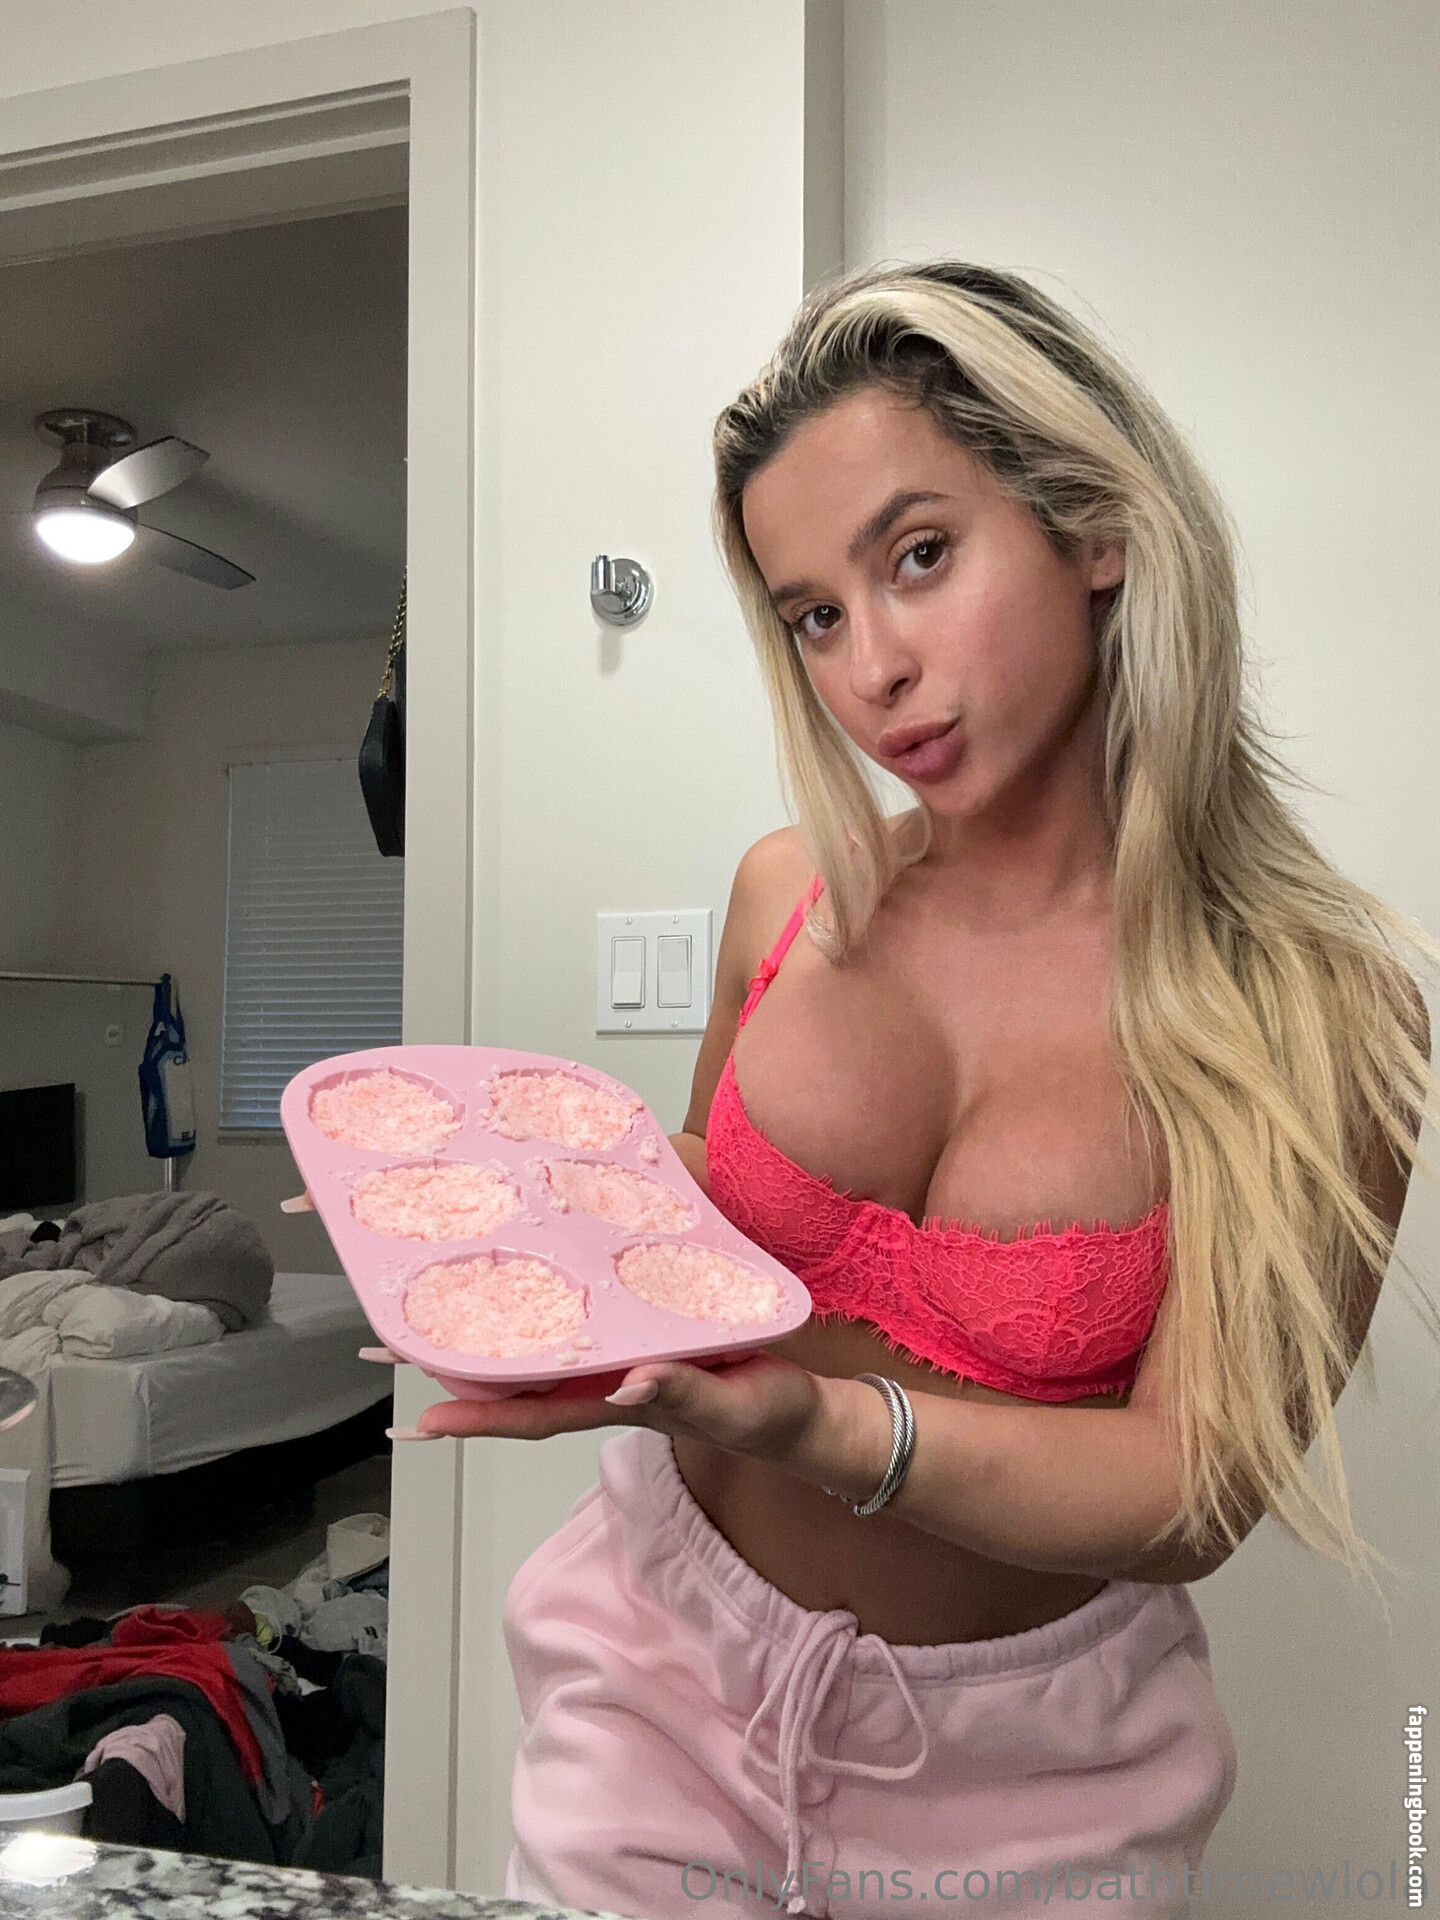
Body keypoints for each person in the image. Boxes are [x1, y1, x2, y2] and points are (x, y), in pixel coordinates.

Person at [374, 263, 1438, 1918]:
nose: (870, 668)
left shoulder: (1321, 1013)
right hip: (663, 1663)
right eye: (813, 614)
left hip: (1039, 1774)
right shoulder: (786, 895)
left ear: (1094, 527)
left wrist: (823, 1428)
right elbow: (704, 1217)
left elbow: (1194, 1492)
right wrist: (515, 1182)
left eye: (919, 557)